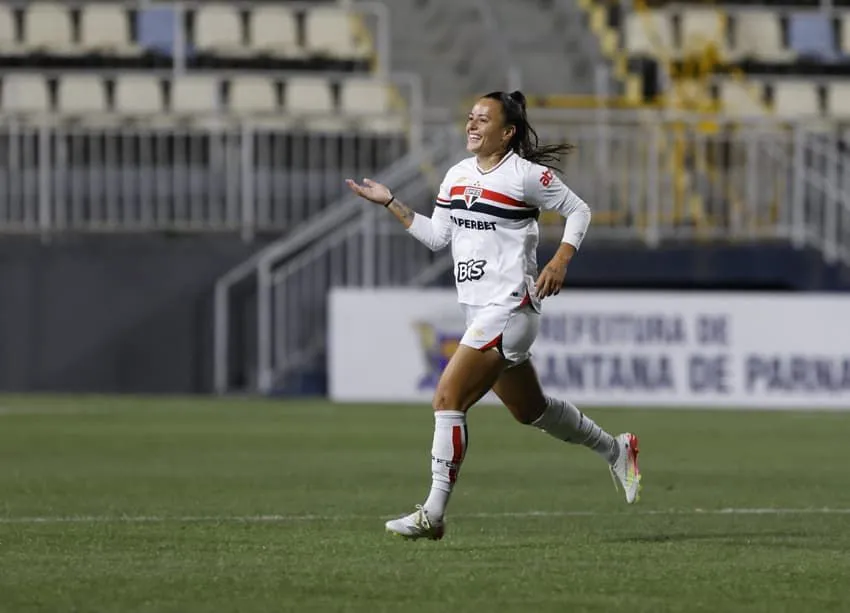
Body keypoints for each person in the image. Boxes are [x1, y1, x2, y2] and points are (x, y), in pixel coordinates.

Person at [345, 90, 640, 541]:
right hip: (481, 311)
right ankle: (615, 448)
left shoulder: (526, 177)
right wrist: (391, 202)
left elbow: (579, 211)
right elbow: (437, 236)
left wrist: (559, 260)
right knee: (531, 411)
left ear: (507, 132)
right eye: (470, 117)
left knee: (447, 399)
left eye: (483, 120)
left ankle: (433, 513)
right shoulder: (456, 176)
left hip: (510, 308)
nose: (472, 125)